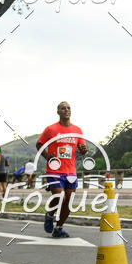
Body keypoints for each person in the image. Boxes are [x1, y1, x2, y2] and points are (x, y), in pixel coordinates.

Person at [36, 101, 86, 238]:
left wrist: (83, 149)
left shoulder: (77, 130)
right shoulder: (51, 129)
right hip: (54, 170)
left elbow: (82, 149)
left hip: (70, 171)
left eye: (68, 108)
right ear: (58, 112)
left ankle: (59, 228)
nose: (66, 110)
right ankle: (50, 214)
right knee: (60, 197)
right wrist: (47, 156)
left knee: (68, 201)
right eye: (63, 108)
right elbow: (39, 144)